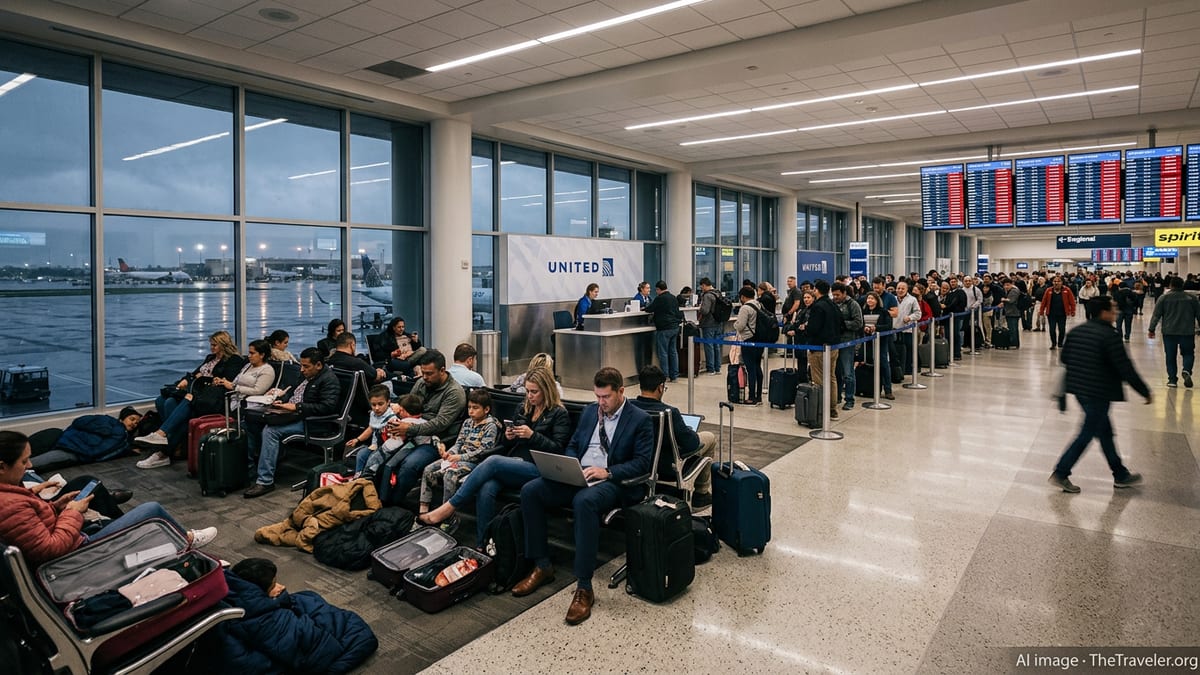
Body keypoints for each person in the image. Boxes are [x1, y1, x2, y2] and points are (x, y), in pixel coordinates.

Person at [512, 367, 654, 626]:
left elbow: (643, 463)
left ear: (621, 392)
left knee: (584, 502)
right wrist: (568, 465)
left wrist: (607, 471)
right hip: (580, 474)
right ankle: (542, 564)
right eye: (598, 396)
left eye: (606, 397)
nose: (601, 403)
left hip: (613, 481)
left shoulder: (639, 419)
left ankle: (584, 586)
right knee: (531, 490)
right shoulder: (591, 412)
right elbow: (575, 444)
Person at [0, 430, 216, 565]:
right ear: (2, 467)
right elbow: (50, 549)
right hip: (78, 555)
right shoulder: (10, 507)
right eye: (23, 462)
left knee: (102, 498)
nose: (29, 466)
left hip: (72, 541)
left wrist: (57, 506)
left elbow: (34, 525)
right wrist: (71, 514)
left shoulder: (9, 497)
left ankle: (177, 544)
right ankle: (187, 541)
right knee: (151, 510)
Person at [419, 367, 570, 543]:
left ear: (546, 390)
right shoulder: (524, 408)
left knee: (493, 461)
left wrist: (533, 436)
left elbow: (558, 449)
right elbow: (506, 445)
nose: (529, 396)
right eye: (528, 391)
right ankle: (483, 543)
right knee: (487, 488)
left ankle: (449, 508)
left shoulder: (559, 413)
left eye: (534, 392)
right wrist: (508, 437)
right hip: (514, 462)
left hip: (537, 466)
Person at [1048, 297, 1151, 493]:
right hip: (1099, 392)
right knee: (1087, 433)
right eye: (1113, 309)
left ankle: (1120, 473)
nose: (1116, 313)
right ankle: (1061, 472)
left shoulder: (1076, 331)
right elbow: (1125, 367)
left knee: (1105, 433)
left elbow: (1064, 361)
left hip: (1080, 390)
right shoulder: (1109, 336)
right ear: (1103, 313)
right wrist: (1144, 391)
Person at [211, 557, 377, 675]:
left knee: (307, 598)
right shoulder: (267, 620)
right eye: (273, 585)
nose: (281, 586)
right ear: (258, 590)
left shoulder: (227, 589)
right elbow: (318, 650)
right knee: (361, 636)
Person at [135, 338, 272, 462]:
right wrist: (223, 382)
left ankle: (164, 440)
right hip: (225, 396)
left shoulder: (266, 370)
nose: (249, 356)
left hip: (231, 402)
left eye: (252, 353)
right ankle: (167, 443)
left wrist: (231, 386)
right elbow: (231, 380)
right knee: (171, 404)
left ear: (262, 355)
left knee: (188, 402)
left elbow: (257, 391)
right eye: (249, 352)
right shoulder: (247, 366)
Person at [244, 347, 342, 498]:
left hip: (312, 422)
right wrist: (281, 399)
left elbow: (327, 407)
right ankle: (250, 470)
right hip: (293, 414)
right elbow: (293, 393)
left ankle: (265, 481)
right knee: (250, 422)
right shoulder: (306, 376)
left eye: (306, 366)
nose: (302, 369)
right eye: (301, 365)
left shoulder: (329, 380)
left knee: (271, 431)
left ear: (318, 365)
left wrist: (297, 407)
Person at [380, 350, 467, 504]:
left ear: (442, 371)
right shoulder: (422, 383)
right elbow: (408, 405)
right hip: (410, 432)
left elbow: (440, 424)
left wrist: (409, 428)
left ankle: (393, 505)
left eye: (429, 373)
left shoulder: (454, 392)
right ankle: (376, 498)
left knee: (409, 466)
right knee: (373, 455)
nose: (424, 377)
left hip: (435, 440)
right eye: (423, 372)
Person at [630, 365, 716, 507]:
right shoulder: (670, 412)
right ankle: (701, 493)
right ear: (660, 387)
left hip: (639, 461)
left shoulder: (629, 407)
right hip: (667, 465)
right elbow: (692, 444)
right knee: (710, 437)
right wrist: (688, 432)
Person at [418, 389, 499, 523]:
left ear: (486, 410)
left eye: (475, 408)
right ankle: (423, 512)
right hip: (458, 458)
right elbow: (459, 443)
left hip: (476, 463)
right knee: (428, 470)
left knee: (451, 473)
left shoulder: (491, 426)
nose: (471, 411)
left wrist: (460, 457)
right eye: (469, 407)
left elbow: (484, 451)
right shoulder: (467, 422)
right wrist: (450, 453)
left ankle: (446, 515)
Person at [32, 406, 142, 469]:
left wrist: (129, 451)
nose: (134, 423)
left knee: (29, 458)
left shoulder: (120, 435)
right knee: (30, 462)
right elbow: (79, 422)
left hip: (68, 443)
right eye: (132, 419)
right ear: (122, 418)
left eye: (137, 423)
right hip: (71, 448)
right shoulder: (114, 427)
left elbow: (110, 449)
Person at [1148, 276, 1200, 388]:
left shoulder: (1164, 298)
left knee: (1170, 356)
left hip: (1169, 331)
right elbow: (1199, 315)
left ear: (1170, 285)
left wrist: (1151, 329)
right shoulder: (1192, 298)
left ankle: (1172, 380)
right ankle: (1186, 370)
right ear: (1183, 285)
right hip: (1187, 331)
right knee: (1188, 353)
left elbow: (1156, 315)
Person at [345, 386, 407, 477]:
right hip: (374, 446)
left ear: (388, 402)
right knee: (361, 455)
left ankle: (367, 478)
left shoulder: (393, 418)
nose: (377, 408)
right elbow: (371, 428)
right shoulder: (373, 414)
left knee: (371, 460)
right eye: (373, 405)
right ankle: (358, 476)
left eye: (380, 404)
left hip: (387, 449)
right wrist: (357, 440)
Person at [804, 279, 845, 415]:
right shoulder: (833, 305)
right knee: (832, 377)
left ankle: (821, 409)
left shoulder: (818, 306)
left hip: (819, 348)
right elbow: (842, 325)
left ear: (816, 290)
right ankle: (832, 408)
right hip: (833, 347)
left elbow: (813, 328)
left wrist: (806, 328)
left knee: (819, 379)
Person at [831, 283, 863, 411]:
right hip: (835, 342)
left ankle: (849, 399)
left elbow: (858, 322)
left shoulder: (853, 305)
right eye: (833, 295)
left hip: (847, 342)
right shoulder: (832, 304)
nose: (835, 297)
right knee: (835, 372)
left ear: (844, 293)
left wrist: (843, 324)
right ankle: (836, 396)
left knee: (848, 372)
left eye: (838, 295)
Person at [643, 280, 683, 382]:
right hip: (675, 327)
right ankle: (674, 375)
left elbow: (649, 309)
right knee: (673, 352)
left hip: (664, 328)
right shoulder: (673, 297)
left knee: (663, 353)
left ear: (658, 289)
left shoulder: (660, 298)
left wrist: (644, 308)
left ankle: (665, 375)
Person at [733, 286, 765, 406]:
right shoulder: (758, 305)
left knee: (750, 368)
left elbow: (740, 325)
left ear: (742, 297)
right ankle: (759, 395)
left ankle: (751, 397)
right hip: (758, 339)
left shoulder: (745, 308)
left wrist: (735, 325)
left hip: (748, 340)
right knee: (757, 367)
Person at [1039, 276, 1076, 350]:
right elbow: (1044, 301)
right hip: (1051, 314)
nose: (1056, 283)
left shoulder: (1067, 290)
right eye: (1055, 281)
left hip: (1062, 314)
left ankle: (1060, 343)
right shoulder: (1048, 290)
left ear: (1062, 282)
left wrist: (1072, 311)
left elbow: (1072, 301)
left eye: (1058, 281)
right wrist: (1041, 311)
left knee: (1062, 329)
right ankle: (1053, 343)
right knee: (1052, 330)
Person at [696, 277, 723, 375]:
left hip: (708, 323)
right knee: (716, 345)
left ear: (704, 285)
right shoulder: (718, 293)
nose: (701, 289)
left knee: (709, 346)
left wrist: (699, 308)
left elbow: (705, 310)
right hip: (718, 322)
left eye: (701, 286)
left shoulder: (707, 296)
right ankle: (717, 368)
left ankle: (710, 368)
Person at [1001, 279, 1022, 349]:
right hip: (1010, 312)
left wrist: (1004, 299)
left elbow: (1011, 300)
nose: (1006, 287)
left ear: (1011, 284)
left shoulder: (1014, 291)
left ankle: (1014, 342)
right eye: (1005, 285)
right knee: (1012, 328)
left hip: (1013, 312)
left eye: (1008, 285)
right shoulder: (1010, 290)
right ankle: (1014, 342)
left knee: (1013, 328)